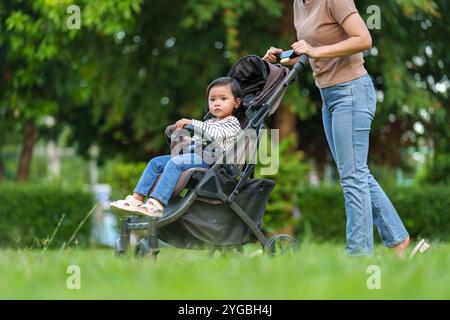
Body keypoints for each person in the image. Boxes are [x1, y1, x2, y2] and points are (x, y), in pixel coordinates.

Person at [263, 0, 427, 257]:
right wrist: (283, 58)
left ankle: (359, 256)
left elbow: (364, 38)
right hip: (328, 95)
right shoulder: (299, 4)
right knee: (355, 173)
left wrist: (315, 51)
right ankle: (398, 239)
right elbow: (315, 48)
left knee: (353, 176)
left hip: (351, 91)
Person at [111, 77, 243, 218]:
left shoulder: (232, 123)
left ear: (236, 103)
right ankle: (136, 199)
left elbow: (215, 134)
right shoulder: (210, 121)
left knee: (176, 163)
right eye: (212, 99)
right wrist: (187, 141)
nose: (217, 103)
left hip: (215, 162)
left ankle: (157, 204)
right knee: (156, 162)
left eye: (223, 99)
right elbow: (200, 140)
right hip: (199, 156)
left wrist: (192, 123)